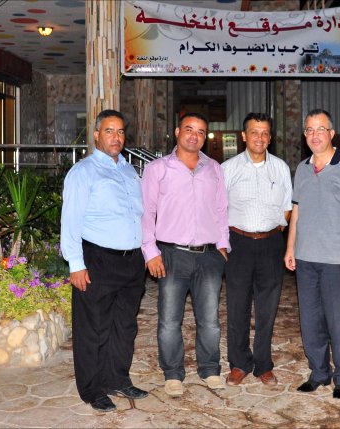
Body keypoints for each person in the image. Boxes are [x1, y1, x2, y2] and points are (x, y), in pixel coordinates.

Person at [60, 109, 148, 412]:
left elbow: (137, 215)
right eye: (109, 131)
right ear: (96, 134)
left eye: (120, 131)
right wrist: (76, 264)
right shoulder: (83, 172)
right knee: (93, 329)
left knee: (124, 326)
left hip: (131, 261)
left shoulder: (129, 171)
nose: (116, 137)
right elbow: (70, 221)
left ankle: (117, 379)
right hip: (98, 259)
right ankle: (92, 389)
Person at [141, 112, 229, 397]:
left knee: (210, 320)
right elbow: (147, 212)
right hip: (171, 255)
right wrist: (150, 251)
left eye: (201, 132)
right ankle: (173, 374)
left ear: (205, 137)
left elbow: (221, 209)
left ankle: (210, 369)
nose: (194, 135)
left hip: (209, 255)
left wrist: (223, 245)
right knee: (169, 320)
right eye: (189, 129)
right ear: (177, 132)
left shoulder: (214, 168)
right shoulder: (158, 169)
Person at [284, 109, 340, 400]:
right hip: (306, 259)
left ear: (331, 133)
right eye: (309, 130)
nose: (315, 135)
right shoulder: (302, 168)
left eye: (321, 129)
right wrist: (290, 248)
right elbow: (296, 212)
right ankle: (319, 372)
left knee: (339, 323)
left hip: (337, 261)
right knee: (310, 321)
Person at [221, 113, 293, 387]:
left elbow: (287, 209)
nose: (259, 138)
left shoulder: (280, 168)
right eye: (254, 132)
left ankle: (263, 364)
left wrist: (272, 232)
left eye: (264, 133)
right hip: (238, 244)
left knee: (267, 308)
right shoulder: (228, 168)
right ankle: (239, 363)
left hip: (271, 243)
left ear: (270, 138)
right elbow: (218, 209)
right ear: (244, 136)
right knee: (237, 306)